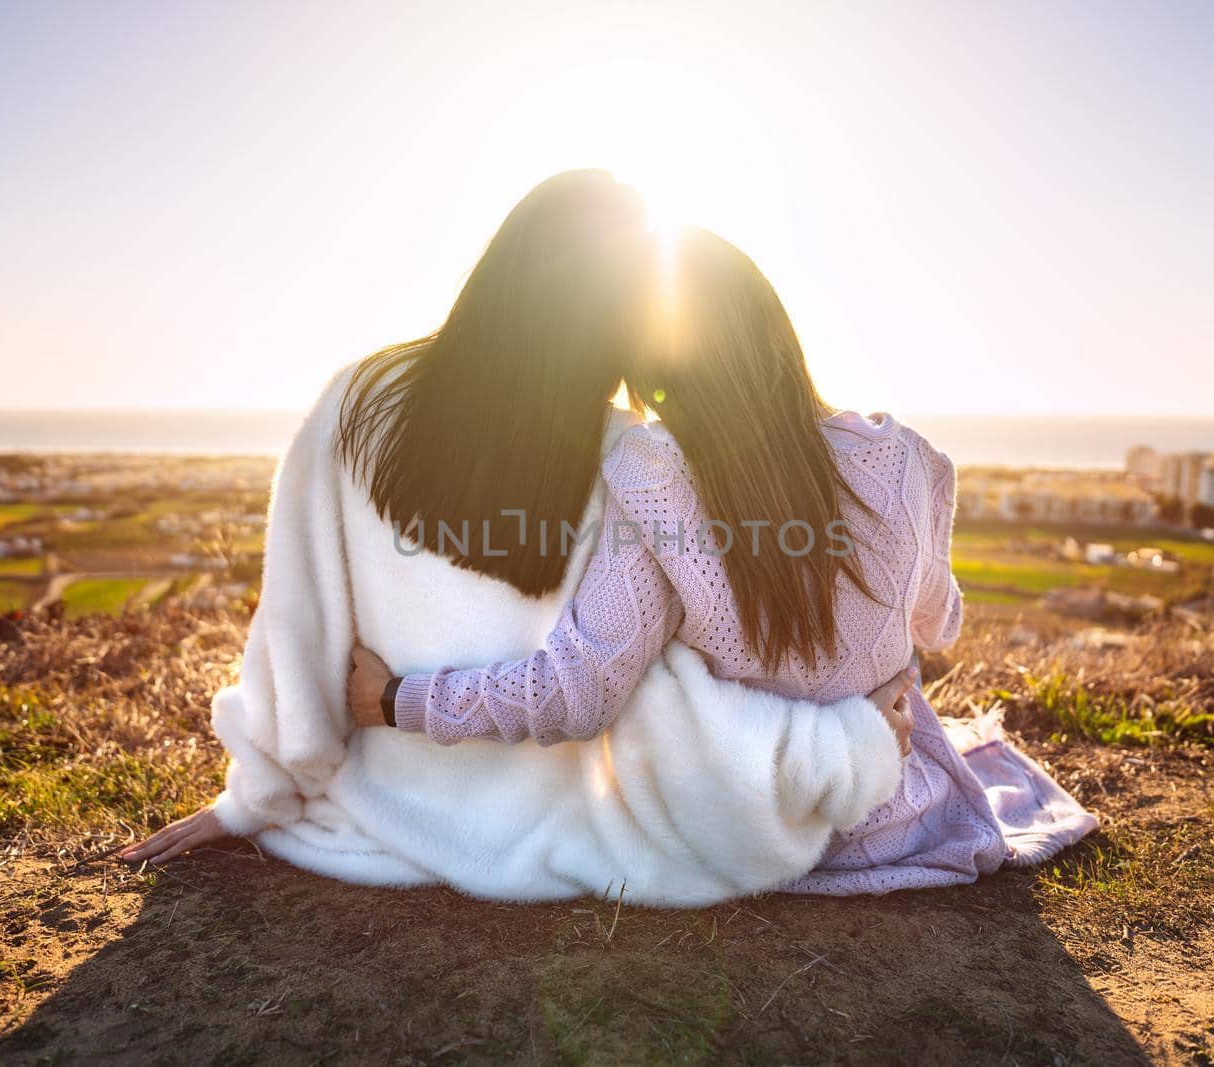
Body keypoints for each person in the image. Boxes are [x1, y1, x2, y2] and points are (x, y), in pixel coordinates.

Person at [120, 179, 914, 870]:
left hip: (376, 796)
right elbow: (653, 694)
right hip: (551, 830)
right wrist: (848, 741)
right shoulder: (631, 457)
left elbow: (297, 620)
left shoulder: (360, 398)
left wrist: (253, 797)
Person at [347, 227, 1096, 894]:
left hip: (750, 827)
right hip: (894, 808)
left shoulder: (655, 473)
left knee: (651, 674)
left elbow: (573, 694)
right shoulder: (905, 460)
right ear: (777, 332)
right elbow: (939, 624)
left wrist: (392, 698)